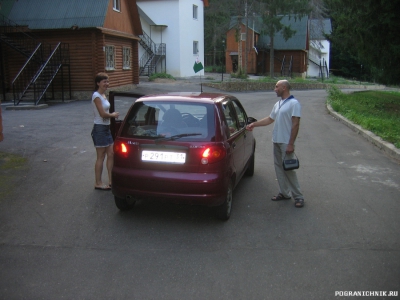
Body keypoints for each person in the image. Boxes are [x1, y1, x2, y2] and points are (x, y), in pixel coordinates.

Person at [246, 80, 305, 207]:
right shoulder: (278, 103)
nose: (275, 89)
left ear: (284, 88)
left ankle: (298, 196)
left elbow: (296, 124)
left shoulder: (294, 104)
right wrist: (254, 124)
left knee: (289, 169)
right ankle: (284, 193)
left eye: (276, 87)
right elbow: (270, 119)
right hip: (276, 141)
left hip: (286, 142)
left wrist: (291, 144)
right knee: (278, 168)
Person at [91, 72, 119, 190]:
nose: (106, 84)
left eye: (107, 81)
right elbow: (102, 114)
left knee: (111, 154)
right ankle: (98, 182)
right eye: (104, 82)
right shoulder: (96, 96)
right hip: (100, 128)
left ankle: (111, 181)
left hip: (106, 128)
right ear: (98, 83)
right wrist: (112, 115)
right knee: (101, 157)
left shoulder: (104, 95)